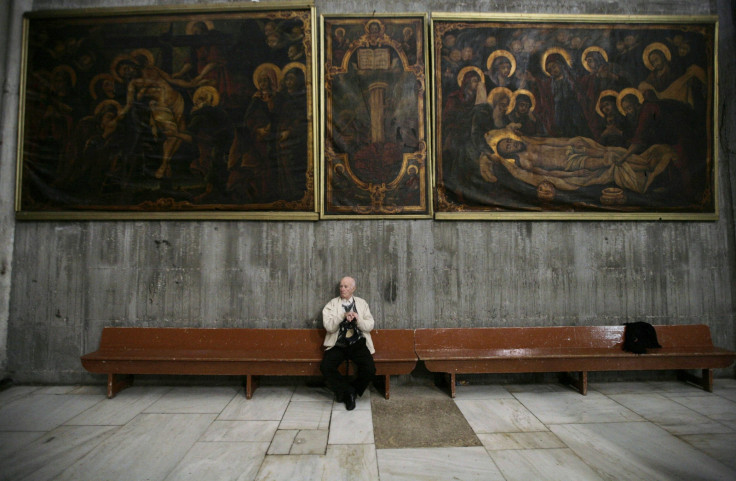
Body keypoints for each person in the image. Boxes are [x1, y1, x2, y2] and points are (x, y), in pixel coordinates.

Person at [321, 276, 376, 411]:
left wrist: (358, 320)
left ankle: (351, 391)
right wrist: (342, 316)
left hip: (357, 343)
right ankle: (347, 391)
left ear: (353, 289)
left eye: (346, 286)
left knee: (370, 369)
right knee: (326, 366)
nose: (342, 289)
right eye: (341, 286)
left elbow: (369, 326)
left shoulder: (362, 303)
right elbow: (329, 327)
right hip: (338, 344)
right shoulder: (332, 304)